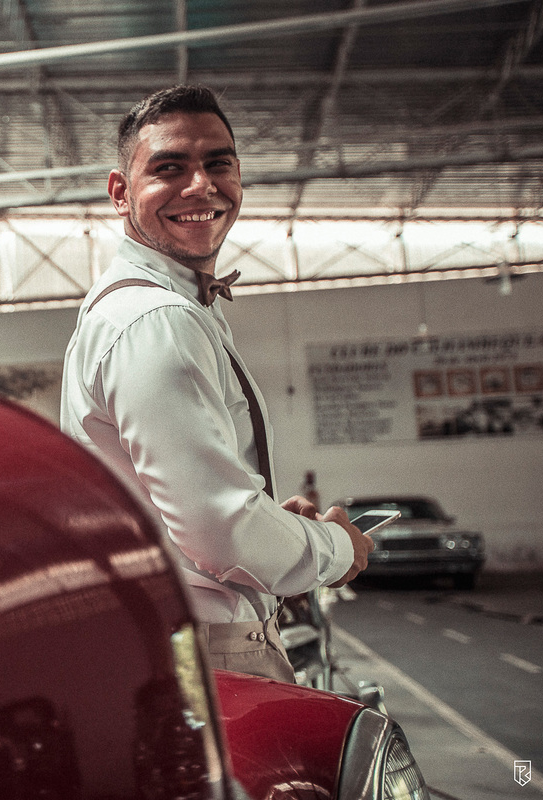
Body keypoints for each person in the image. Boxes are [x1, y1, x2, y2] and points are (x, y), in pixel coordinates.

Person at [60, 85, 373, 682]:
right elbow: (221, 534)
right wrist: (333, 549)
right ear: (121, 194)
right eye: (169, 168)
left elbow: (192, 511)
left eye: (218, 163)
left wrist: (274, 523)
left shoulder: (162, 309)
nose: (200, 185)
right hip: (205, 650)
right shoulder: (156, 321)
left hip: (178, 639)